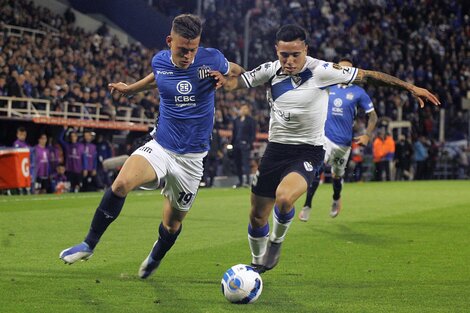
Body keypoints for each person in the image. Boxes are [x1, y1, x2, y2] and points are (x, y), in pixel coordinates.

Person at [224, 24, 439, 273]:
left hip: (308, 150)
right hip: (275, 150)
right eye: (284, 55)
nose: (290, 60)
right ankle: (256, 262)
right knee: (257, 215)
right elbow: (237, 83)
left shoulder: (322, 70)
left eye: (296, 54)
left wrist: (410, 88)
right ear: (277, 51)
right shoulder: (271, 70)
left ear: (306, 49)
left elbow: (368, 76)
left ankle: (276, 240)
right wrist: (219, 76)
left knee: (284, 198)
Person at [59, 14, 244, 279]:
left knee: (172, 224)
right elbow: (156, 77)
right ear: (170, 41)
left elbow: (237, 72)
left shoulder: (212, 58)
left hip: (192, 159)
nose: (188, 56)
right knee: (121, 183)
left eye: (193, 50)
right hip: (161, 147)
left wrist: (227, 81)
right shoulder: (159, 60)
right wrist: (130, 90)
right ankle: (89, 244)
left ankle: (156, 255)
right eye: (182, 49)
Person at [299, 58, 378, 221]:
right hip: (324, 138)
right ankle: (307, 205)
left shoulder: (358, 92)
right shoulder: (327, 86)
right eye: (341, 69)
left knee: (337, 176)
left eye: (348, 69)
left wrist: (367, 135)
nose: (344, 72)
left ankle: (336, 199)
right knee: (316, 171)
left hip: (344, 144)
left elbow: (373, 116)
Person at [232, 103, 257, 188]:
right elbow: (234, 133)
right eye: (242, 108)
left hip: (245, 145)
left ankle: (247, 181)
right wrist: (232, 144)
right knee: (238, 163)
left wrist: (249, 143)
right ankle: (240, 181)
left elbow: (253, 134)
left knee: (246, 163)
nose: (243, 110)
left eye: (245, 108)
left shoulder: (251, 120)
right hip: (237, 145)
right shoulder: (236, 120)